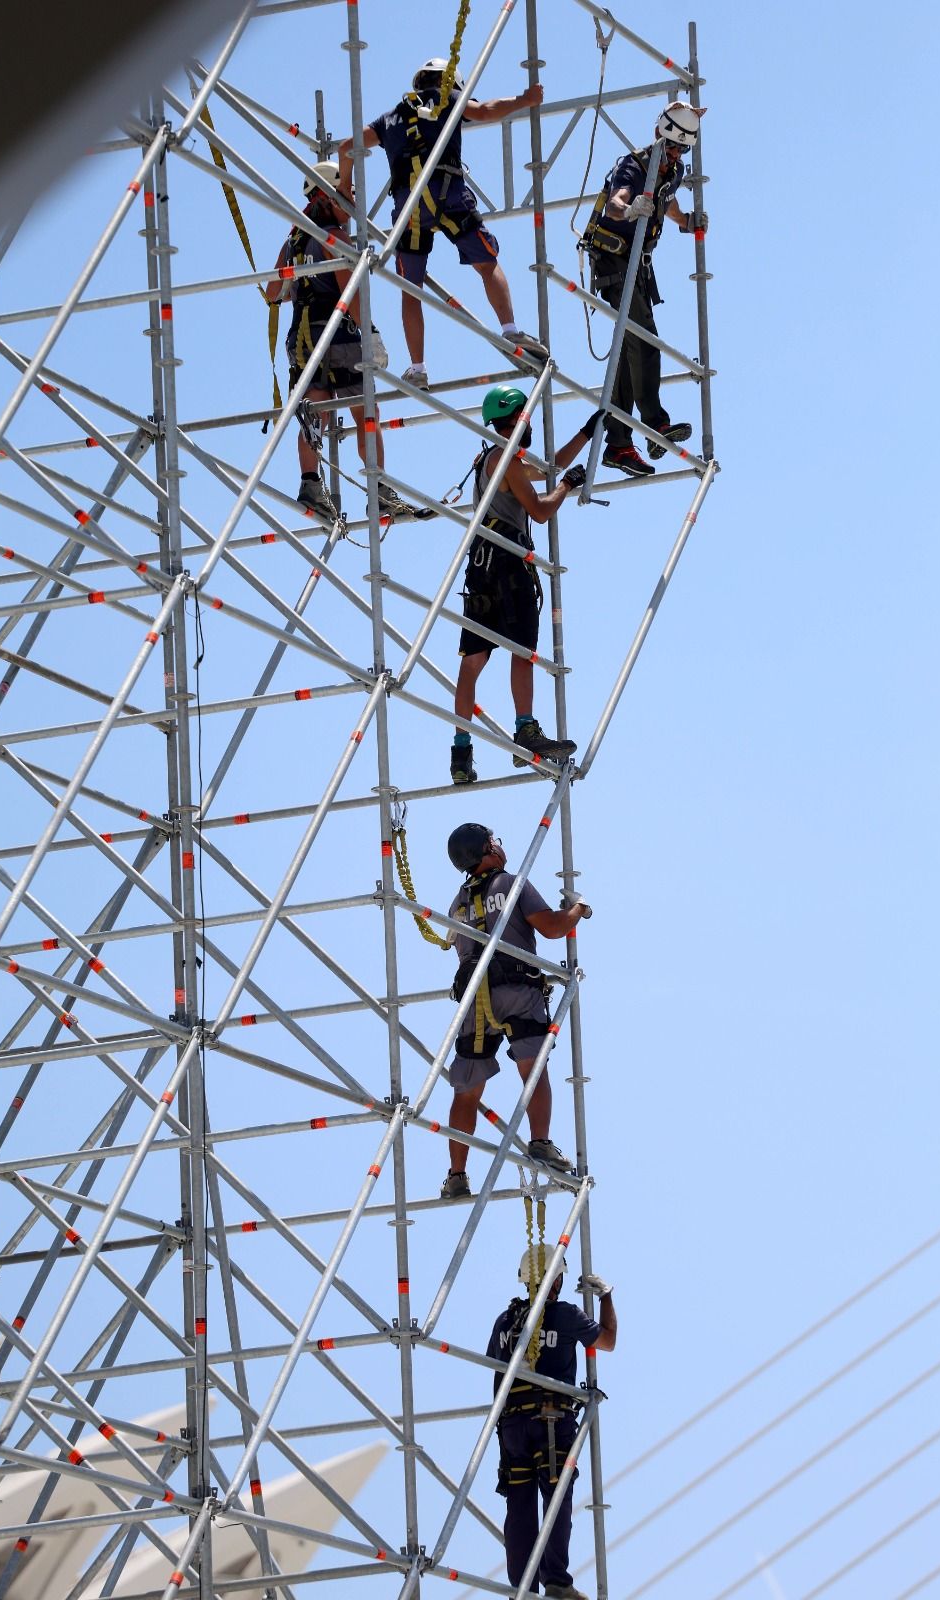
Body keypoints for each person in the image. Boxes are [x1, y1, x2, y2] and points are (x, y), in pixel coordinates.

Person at [337, 59, 548, 388]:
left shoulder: (391, 116)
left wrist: (343, 187)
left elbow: (347, 147)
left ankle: (418, 368)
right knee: (486, 262)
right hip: (447, 194)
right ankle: (510, 331)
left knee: (411, 289)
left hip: (409, 209)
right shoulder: (449, 99)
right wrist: (525, 100)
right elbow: (485, 110)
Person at [451, 385, 599, 783]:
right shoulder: (508, 462)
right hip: (507, 565)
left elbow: (548, 466)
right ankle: (526, 729)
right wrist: (567, 486)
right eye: (526, 419)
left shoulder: (491, 459)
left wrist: (586, 434)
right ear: (517, 418)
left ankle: (461, 753)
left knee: (472, 663)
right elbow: (539, 510)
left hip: (479, 567)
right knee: (522, 650)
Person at [440, 823, 592, 1201]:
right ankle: (540, 1142)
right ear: (487, 849)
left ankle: (457, 1175)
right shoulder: (510, 884)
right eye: (495, 841)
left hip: (475, 999)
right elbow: (553, 928)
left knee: (467, 1090)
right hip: (516, 991)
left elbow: (453, 944)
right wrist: (578, 910)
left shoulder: (457, 903)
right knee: (533, 1071)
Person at [264, 161, 417, 522]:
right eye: (345, 195)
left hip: (303, 339)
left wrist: (301, 285)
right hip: (338, 336)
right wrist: (372, 334)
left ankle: (311, 487)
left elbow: (273, 292)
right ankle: (379, 491)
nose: (350, 202)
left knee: (316, 416)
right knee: (366, 414)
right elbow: (351, 292)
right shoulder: (334, 237)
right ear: (327, 196)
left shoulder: (295, 239)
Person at [580, 100, 709, 478]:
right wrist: (630, 206)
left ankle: (619, 443)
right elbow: (616, 205)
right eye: (671, 146)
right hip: (613, 262)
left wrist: (685, 221)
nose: (674, 155)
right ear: (659, 135)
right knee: (644, 339)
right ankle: (655, 423)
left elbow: (666, 203)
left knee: (627, 352)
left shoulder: (674, 170)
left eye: (682, 149)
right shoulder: (633, 165)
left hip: (637, 267)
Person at [487, 1248, 617, 1599]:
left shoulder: (504, 1322)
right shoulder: (565, 1314)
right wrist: (606, 1297)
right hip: (551, 1420)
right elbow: (607, 1341)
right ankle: (556, 1582)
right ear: (557, 1279)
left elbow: (494, 1372)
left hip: (512, 1427)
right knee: (556, 1497)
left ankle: (523, 1589)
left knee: (519, 1504)